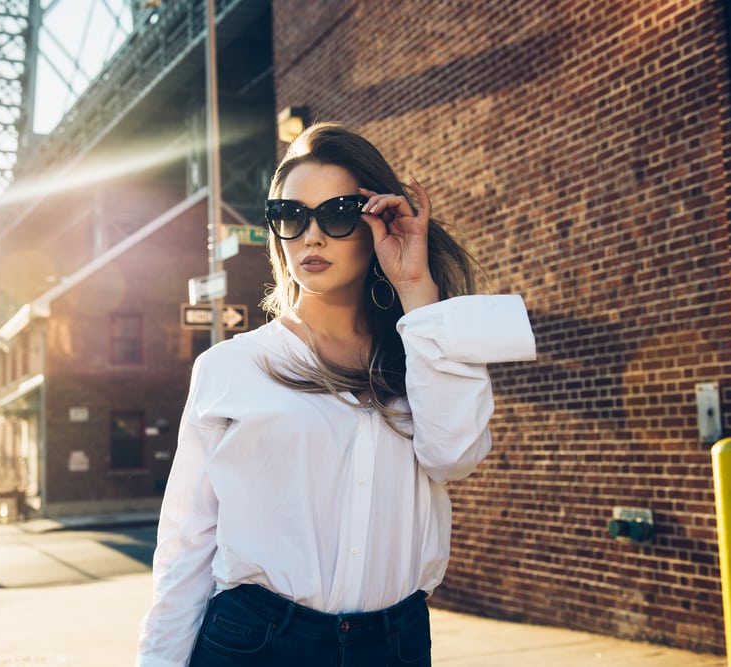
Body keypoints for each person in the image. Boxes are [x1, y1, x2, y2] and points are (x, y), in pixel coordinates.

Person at [136, 122, 536, 666]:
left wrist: (416, 287)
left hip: (394, 645)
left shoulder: (421, 353)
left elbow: (455, 457)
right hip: (256, 643)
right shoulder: (231, 367)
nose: (312, 236)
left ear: (378, 222)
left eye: (340, 213)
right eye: (291, 216)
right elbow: (187, 543)